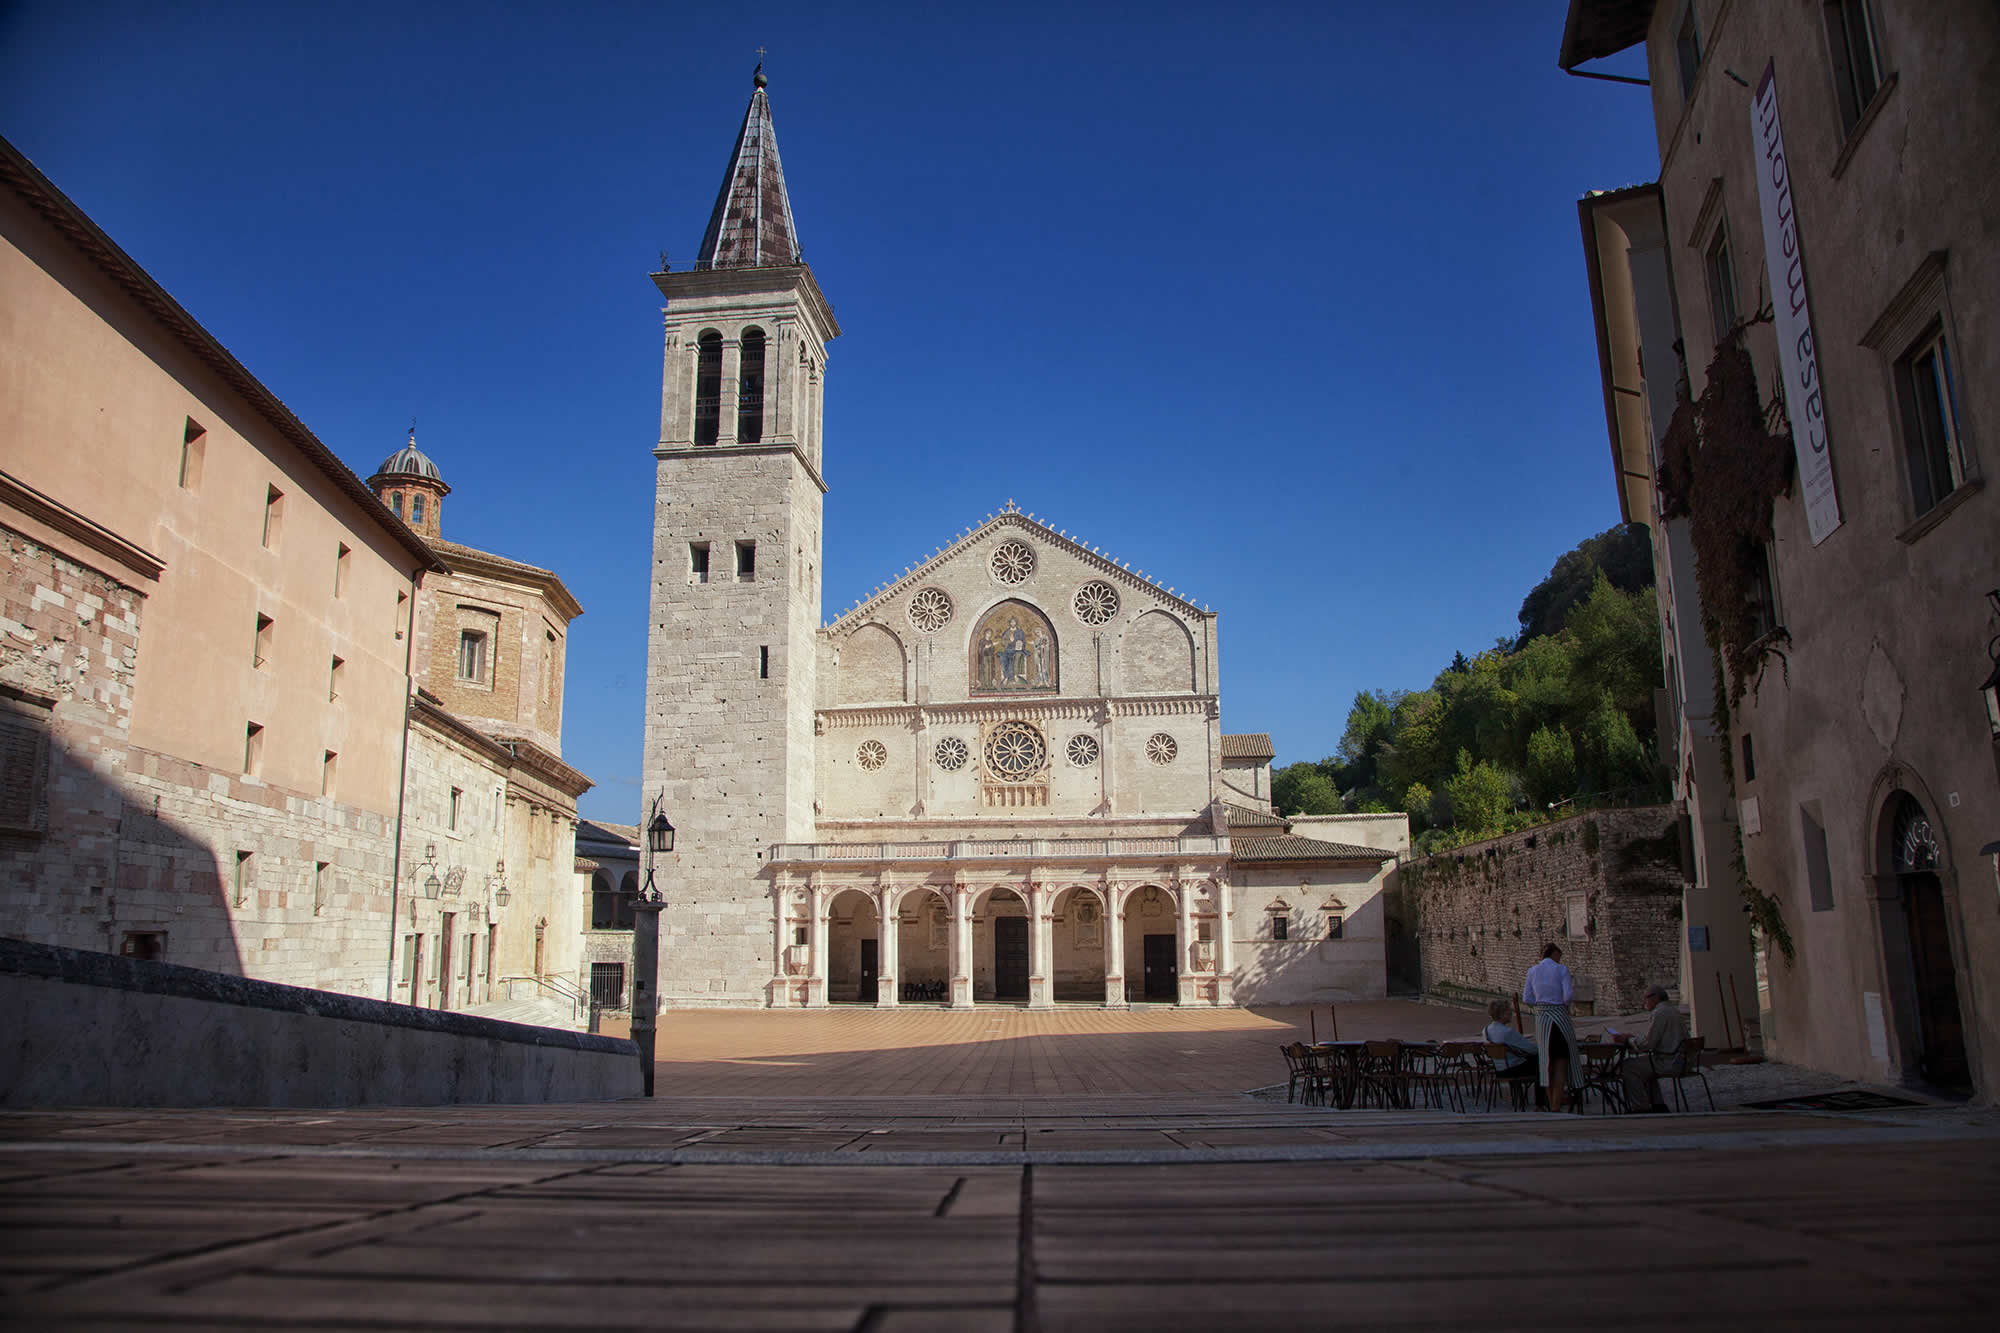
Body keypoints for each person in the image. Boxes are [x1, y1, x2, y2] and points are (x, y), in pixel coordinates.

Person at [1523, 943, 1581, 1111]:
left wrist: (1541, 1005)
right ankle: (1556, 1104)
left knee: (1546, 1062)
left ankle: (1551, 1103)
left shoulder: (1532, 971)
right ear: (1554, 954)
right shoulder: (1561, 969)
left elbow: (1527, 997)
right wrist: (1561, 1005)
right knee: (1561, 1061)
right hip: (1559, 1015)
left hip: (1542, 1018)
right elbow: (1568, 994)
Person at [1614, 984, 1688, 1113]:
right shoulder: (1673, 1010)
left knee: (1628, 1066)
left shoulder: (1659, 1013)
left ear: (1655, 997)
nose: (1645, 1001)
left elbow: (1648, 1044)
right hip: (1681, 1059)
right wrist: (1635, 1039)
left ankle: (1640, 1106)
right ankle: (1657, 1103)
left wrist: (1628, 1040)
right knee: (1644, 1065)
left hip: (1669, 1061)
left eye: (1646, 998)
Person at [1484, 998, 1546, 1109]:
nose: (1511, 1014)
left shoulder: (1486, 1031)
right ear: (1502, 1014)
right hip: (1513, 1069)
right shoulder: (1508, 1032)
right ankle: (1541, 1101)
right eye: (1509, 1012)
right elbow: (1532, 1049)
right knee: (1541, 1063)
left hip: (1499, 1069)